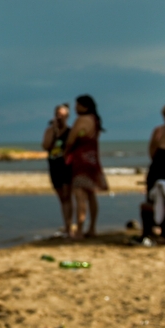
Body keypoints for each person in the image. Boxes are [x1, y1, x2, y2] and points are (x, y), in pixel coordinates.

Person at [64, 95, 108, 239]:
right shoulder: (95, 121)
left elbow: (71, 140)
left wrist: (65, 153)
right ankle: (92, 228)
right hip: (92, 160)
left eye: (78, 105)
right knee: (91, 194)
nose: (76, 108)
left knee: (80, 196)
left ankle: (79, 230)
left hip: (81, 160)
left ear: (85, 106)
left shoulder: (81, 120)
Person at [41, 104, 72, 236]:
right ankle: (67, 225)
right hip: (54, 166)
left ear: (67, 116)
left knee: (67, 196)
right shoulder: (50, 131)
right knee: (61, 198)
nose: (59, 117)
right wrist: (54, 131)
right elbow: (46, 145)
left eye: (62, 114)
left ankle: (70, 226)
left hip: (67, 167)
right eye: (57, 114)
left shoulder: (70, 131)